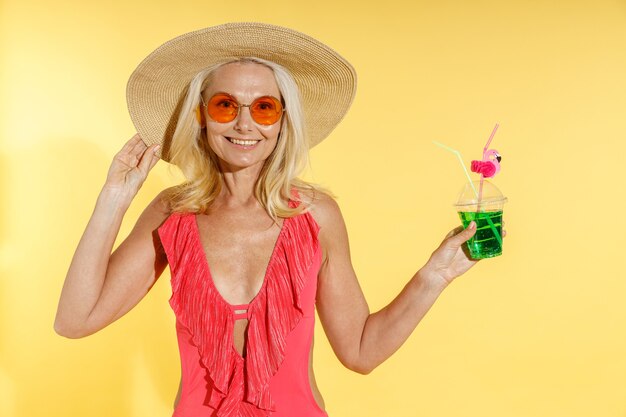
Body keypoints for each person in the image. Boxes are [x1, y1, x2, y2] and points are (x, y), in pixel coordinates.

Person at [54, 22, 504, 417]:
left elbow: (361, 351)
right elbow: (75, 320)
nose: (245, 124)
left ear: (282, 121)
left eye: (264, 107)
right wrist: (114, 199)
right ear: (202, 117)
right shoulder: (173, 213)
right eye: (226, 106)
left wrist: (435, 275)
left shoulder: (316, 216)